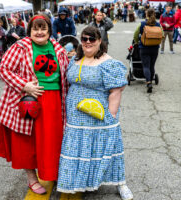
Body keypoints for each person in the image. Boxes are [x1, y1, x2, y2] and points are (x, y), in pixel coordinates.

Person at [0, 14, 69, 195]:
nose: (39, 32)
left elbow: (68, 75)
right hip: (29, 101)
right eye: (36, 28)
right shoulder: (20, 47)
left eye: (43, 28)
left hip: (54, 102)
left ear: (49, 31)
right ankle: (31, 179)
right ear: (30, 31)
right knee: (27, 143)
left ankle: (53, 173)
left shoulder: (58, 48)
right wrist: (24, 86)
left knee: (52, 142)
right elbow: (4, 70)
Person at [57, 26, 133, 200]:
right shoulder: (75, 59)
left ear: (100, 41)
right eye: (85, 39)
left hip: (99, 116)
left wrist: (111, 116)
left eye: (92, 39)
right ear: (81, 42)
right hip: (76, 117)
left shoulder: (108, 62)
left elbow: (116, 90)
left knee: (109, 149)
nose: (88, 42)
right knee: (78, 150)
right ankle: (81, 182)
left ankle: (121, 183)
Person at [133, 8, 161, 93]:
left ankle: (148, 82)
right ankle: (151, 81)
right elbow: (162, 34)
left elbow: (136, 34)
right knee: (152, 65)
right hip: (155, 48)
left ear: (146, 14)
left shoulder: (142, 24)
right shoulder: (158, 24)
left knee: (146, 66)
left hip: (144, 47)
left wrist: (137, 42)